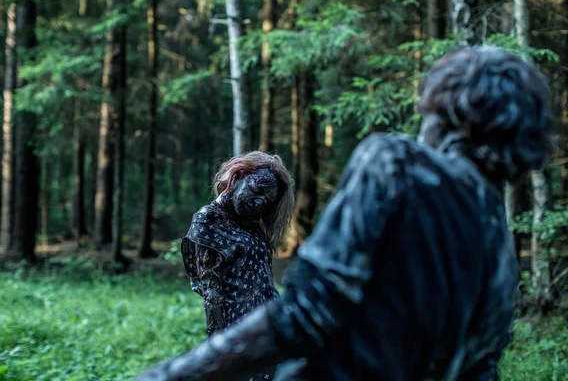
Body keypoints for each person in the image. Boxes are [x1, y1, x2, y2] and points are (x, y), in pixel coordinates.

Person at [134, 46, 551, 380]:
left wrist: (166, 375)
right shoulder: (500, 249)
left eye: (427, 111)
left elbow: (307, 313)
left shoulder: (395, 164)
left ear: (450, 117)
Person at [180, 151, 295, 381]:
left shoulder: (252, 224)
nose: (258, 202)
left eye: (266, 201)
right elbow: (212, 296)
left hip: (270, 323)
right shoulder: (207, 219)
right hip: (240, 328)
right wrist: (219, 350)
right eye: (256, 190)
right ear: (238, 176)